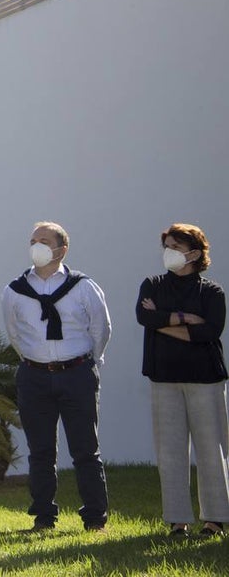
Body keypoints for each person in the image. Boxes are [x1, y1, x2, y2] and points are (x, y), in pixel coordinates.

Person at [1, 221, 111, 532]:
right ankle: (44, 517)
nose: (37, 245)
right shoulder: (15, 290)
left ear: (61, 249)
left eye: (45, 240)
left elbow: (101, 329)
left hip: (77, 373)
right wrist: (34, 361)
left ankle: (94, 517)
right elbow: (15, 333)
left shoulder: (83, 287)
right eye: (33, 240)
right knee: (41, 451)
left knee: (86, 449)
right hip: (34, 376)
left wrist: (91, 362)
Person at [136, 223, 228, 537]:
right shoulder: (153, 284)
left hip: (206, 379)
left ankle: (215, 519)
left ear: (194, 253)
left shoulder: (211, 291)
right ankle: (178, 520)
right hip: (164, 377)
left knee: (210, 450)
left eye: (175, 246)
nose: (169, 252)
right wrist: (186, 319)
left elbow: (210, 331)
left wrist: (162, 319)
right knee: (170, 452)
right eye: (167, 245)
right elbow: (144, 317)